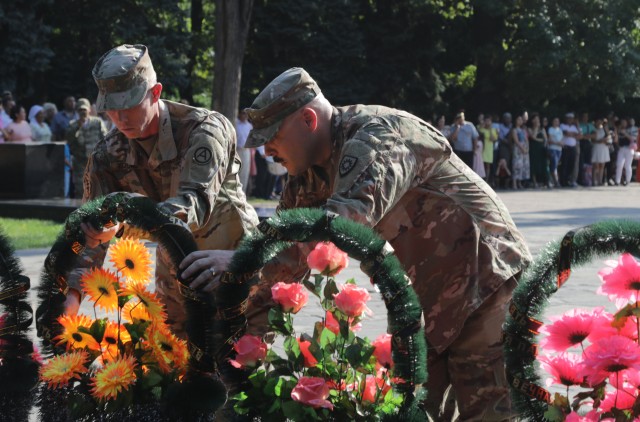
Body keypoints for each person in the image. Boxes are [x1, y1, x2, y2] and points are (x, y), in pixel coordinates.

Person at [183, 68, 531, 420]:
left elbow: (344, 223)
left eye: (272, 136)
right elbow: (281, 272)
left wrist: (245, 258)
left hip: (486, 286)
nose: (267, 149)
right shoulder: (303, 179)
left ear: (308, 119)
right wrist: (236, 358)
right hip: (424, 306)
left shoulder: (375, 137)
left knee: (490, 413)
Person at [62, 44, 259, 348]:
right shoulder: (107, 155)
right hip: (175, 276)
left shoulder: (203, 130)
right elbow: (90, 235)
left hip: (230, 263)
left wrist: (123, 223)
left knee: (241, 371)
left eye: (128, 104)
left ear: (155, 93)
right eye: (111, 108)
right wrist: (69, 306)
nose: (119, 116)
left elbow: (192, 206)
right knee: (174, 369)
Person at [65, 98, 108, 198]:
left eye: (84, 109)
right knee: (80, 187)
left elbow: (105, 137)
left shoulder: (97, 122)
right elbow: (69, 140)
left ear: (89, 110)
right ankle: (80, 209)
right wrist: (78, 127)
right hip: (79, 161)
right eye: (80, 110)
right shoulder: (72, 125)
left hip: (95, 160)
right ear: (77, 111)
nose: (82, 112)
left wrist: (101, 154)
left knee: (97, 186)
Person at [235, 109, 253, 196]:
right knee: (236, 170)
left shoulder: (249, 126)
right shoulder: (235, 124)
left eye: (246, 114)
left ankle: (242, 193)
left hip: (246, 151)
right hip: (237, 150)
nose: (245, 115)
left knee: (245, 172)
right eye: (243, 113)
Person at [559, 113, 580, 187]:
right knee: (564, 164)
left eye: (572, 119)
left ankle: (568, 179)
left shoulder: (575, 127)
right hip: (566, 147)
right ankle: (563, 180)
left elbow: (579, 135)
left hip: (573, 147)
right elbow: (566, 133)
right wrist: (574, 134)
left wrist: (577, 127)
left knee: (571, 164)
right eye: (569, 118)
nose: (570, 120)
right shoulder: (562, 125)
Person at [591, 117, 611, 186]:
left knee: (602, 165)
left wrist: (606, 139)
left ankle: (600, 181)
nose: (599, 123)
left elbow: (609, 136)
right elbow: (592, 140)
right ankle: (594, 181)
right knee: (596, 165)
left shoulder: (604, 129)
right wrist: (600, 141)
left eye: (600, 121)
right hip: (596, 147)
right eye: (598, 121)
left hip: (604, 147)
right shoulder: (593, 129)